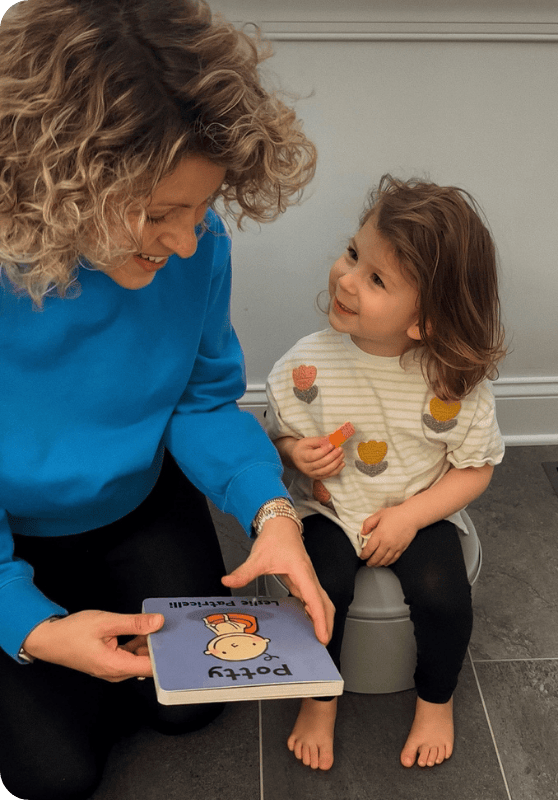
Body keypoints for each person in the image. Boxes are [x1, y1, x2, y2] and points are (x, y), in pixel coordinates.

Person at [0, 1, 335, 798]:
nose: (187, 241)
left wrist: (272, 512)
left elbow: (204, 400)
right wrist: (33, 625)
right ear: (58, 183)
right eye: (157, 214)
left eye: (201, 207)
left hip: (140, 503)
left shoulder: (197, 245)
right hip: (10, 530)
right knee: (58, 776)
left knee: (191, 708)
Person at [265, 175, 507, 772]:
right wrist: (296, 452)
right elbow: (278, 432)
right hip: (329, 506)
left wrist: (410, 516)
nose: (347, 279)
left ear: (425, 321)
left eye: (376, 279)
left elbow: (475, 471)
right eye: (353, 253)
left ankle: (436, 700)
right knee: (319, 594)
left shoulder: (451, 385)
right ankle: (320, 699)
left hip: (415, 508)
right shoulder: (308, 361)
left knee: (445, 598)